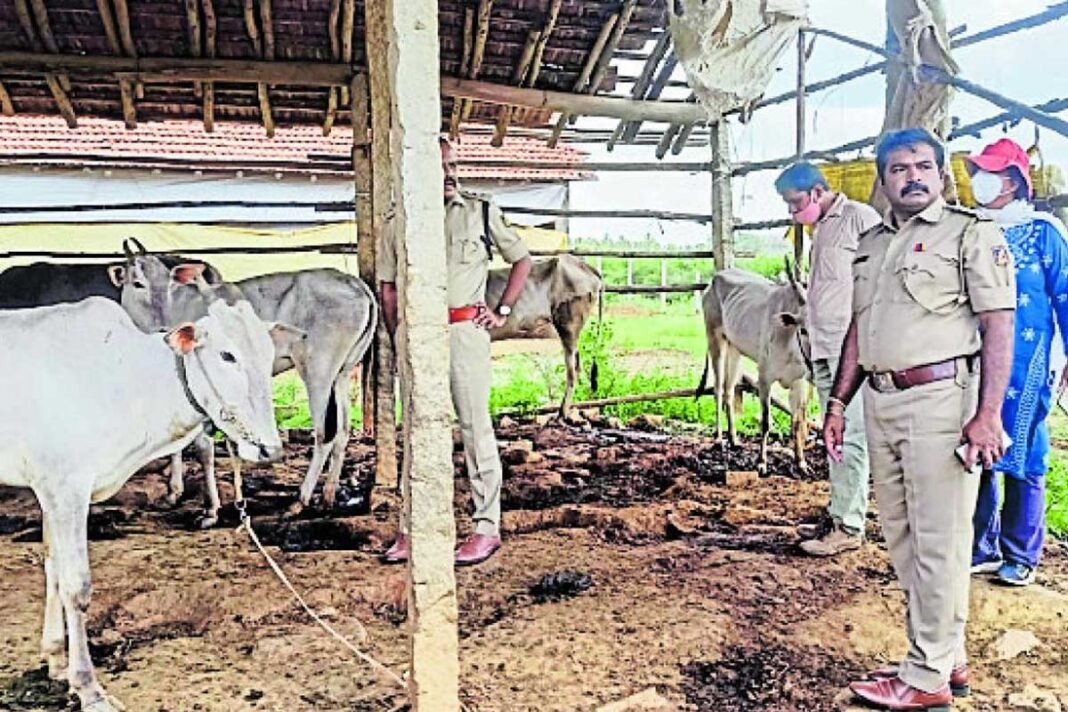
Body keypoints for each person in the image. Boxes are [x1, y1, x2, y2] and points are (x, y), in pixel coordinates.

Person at [824, 128, 1015, 710]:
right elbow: (861, 329)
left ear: (939, 174)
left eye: (924, 166)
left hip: (942, 404)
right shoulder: (874, 245)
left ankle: (926, 678)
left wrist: (987, 416)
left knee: (941, 540)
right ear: (882, 181)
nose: (912, 176)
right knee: (903, 538)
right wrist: (837, 402)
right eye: (899, 168)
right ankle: (944, 654)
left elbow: (998, 324)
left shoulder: (970, 234)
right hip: (880, 402)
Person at [378, 136, 533, 567]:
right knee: (419, 431)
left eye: (453, 165)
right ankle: (414, 529)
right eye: (440, 167)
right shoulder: (398, 222)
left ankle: (486, 528)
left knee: (474, 429)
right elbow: (389, 290)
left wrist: (500, 311)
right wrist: (401, 337)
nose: (449, 174)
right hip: (418, 336)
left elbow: (522, 260)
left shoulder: (480, 211)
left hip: (466, 331)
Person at [966, 138, 1068, 587]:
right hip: (971, 359)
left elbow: (1065, 294)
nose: (978, 182)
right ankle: (980, 545)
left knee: (1023, 448)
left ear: (1012, 182)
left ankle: (1020, 553)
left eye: (988, 173)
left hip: (1027, 363)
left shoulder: (1044, 231)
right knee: (974, 444)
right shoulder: (971, 228)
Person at [774, 162, 879, 557]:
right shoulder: (821, 229)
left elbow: (877, 284)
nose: (792, 212)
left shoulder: (859, 219)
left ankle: (849, 526)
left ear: (817, 192)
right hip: (821, 346)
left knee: (850, 437)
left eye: (795, 202)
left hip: (847, 351)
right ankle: (837, 513)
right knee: (833, 436)